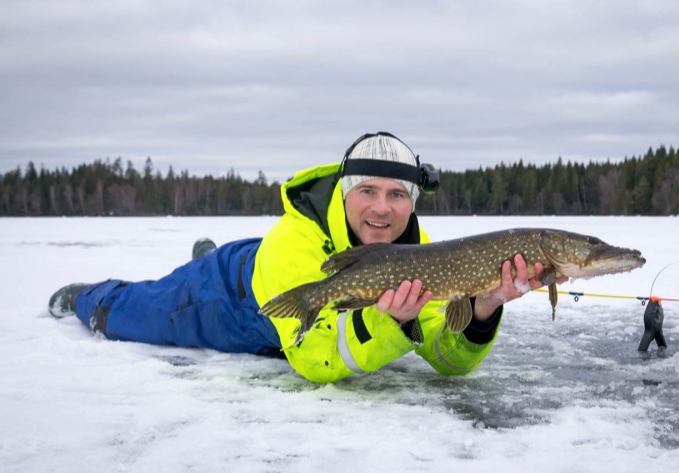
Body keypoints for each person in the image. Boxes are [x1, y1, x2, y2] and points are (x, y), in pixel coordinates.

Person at [49, 132, 567, 383]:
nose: (383, 209)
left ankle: (201, 255)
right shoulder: (293, 243)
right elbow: (315, 360)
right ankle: (90, 297)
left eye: (398, 195)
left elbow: (446, 357)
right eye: (368, 191)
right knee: (140, 312)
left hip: (295, 275)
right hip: (233, 299)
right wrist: (389, 324)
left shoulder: (419, 253)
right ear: (344, 193)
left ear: (413, 201)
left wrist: (480, 311)